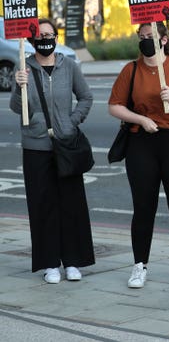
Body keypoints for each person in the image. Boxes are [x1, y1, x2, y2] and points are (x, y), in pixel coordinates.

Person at [108, 21, 169, 289]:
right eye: (141, 37)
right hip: (143, 141)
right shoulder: (132, 69)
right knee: (143, 206)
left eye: (150, 36)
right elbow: (114, 106)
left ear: (163, 39)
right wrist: (140, 118)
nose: (145, 41)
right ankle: (139, 265)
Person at [10, 18, 95, 283]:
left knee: (71, 204)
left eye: (50, 34)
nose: (45, 38)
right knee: (42, 206)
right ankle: (49, 264)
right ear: (32, 40)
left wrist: (71, 121)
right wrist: (18, 85)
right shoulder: (24, 67)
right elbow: (16, 108)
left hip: (65, 145)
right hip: (36, 147)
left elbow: (86, 97)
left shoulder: (68, 65)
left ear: (56, 37)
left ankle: (73, 262)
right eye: (40, 35)